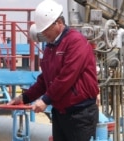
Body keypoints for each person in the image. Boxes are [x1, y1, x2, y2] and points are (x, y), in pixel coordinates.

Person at [7, 0, 99, 141]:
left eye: (46, 29)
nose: (43, 33)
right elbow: (45, 80)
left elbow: (67, 76)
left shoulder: (75, 41)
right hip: (61, 113)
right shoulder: (51, 47)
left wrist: (45, 100)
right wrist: (24, 98)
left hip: (80, 114)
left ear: (58, 23)